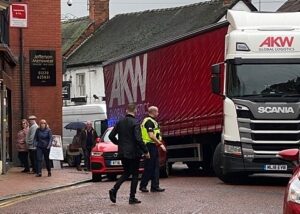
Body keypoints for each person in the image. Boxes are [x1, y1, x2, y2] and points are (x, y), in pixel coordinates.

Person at [108, 103, 150, 205]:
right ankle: (132, 197)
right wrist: (146, 151)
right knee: (135, 175)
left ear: (126, 111)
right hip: (134, 153)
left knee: (126, 173)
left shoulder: (120, 122)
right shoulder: (135, 123)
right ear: (135, 111)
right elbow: (138, 139)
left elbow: (111, 136)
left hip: (123, 152)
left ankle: (114, 189)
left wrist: (119, 144)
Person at [139, 106, 166, 193]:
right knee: (149, 167)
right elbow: (151, 135)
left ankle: (154, 186)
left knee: (155, 166)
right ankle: (143, 185)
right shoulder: (149, 121)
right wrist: (160, 143)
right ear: (153, 112)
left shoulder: (151, 121)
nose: (158, 113)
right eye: (157, 112)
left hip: (152, 146)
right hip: (149, 146)